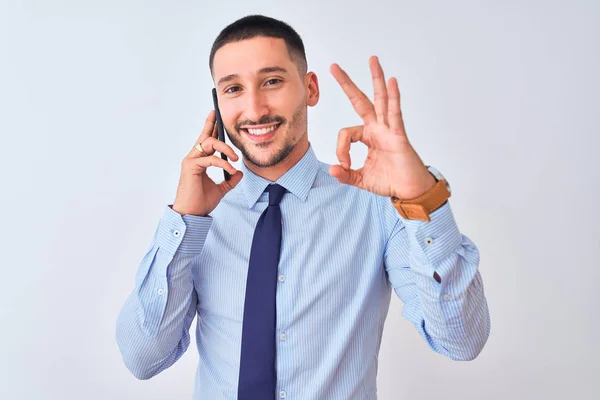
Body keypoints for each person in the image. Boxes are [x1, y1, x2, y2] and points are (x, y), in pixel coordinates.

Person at [115, 14, 490, 400]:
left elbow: (461, 341)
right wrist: (184, 220)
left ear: (310, 88)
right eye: (233, 89)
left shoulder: (375, 206)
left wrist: (420, 198)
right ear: (217, 102)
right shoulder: (197, 222)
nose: (255, 109)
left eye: (272, 81)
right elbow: (143, 359)